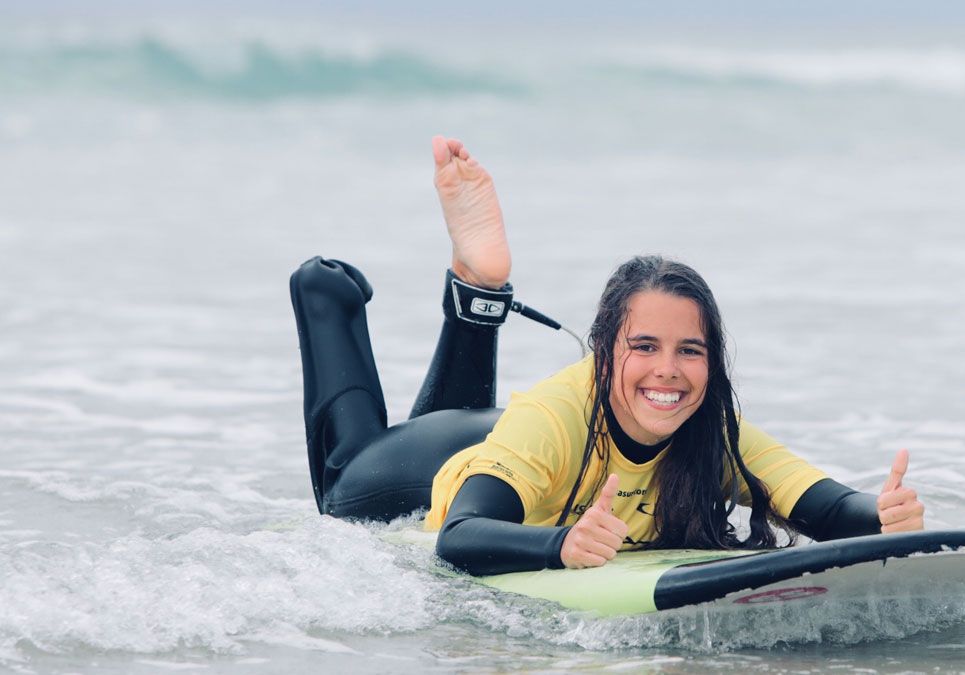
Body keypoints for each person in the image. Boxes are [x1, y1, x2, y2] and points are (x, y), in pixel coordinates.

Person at [289, 136, 925, 576]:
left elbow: (826, 509)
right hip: (431, 470)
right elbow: (459, 537)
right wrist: (561, 545)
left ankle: (479, 288)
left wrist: (881, 511)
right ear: (604, 352)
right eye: (643, 346)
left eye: (690, 351)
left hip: (511, 442)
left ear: (714, 362)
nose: (668, 370)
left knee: (481, 425)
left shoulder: (712, 433)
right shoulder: (556, 415)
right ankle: (324, 295)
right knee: (342, 484)